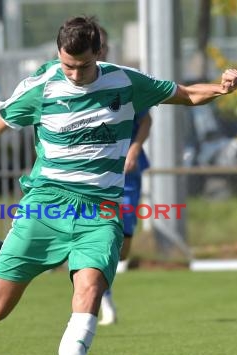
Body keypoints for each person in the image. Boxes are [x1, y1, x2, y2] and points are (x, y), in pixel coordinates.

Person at [0, 15, 237, 355]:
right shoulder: (42, 86)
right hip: (45, 208)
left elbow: (187, 94)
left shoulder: (124, 81)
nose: (74, 73)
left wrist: (222, 88)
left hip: (99, 213)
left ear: (98, 54)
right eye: (67, 64)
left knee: (88, 293)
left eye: (82, 66)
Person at [97, 25, 153, 326]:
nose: (101, 50)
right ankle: (100, 298)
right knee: (100, 236)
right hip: (96, 177)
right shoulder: (75, 82)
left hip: (128, 172)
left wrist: (133, 150)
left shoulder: (123, 79)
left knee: (124, 242)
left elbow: (146, 120)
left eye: (103, 45)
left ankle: (101, 288)